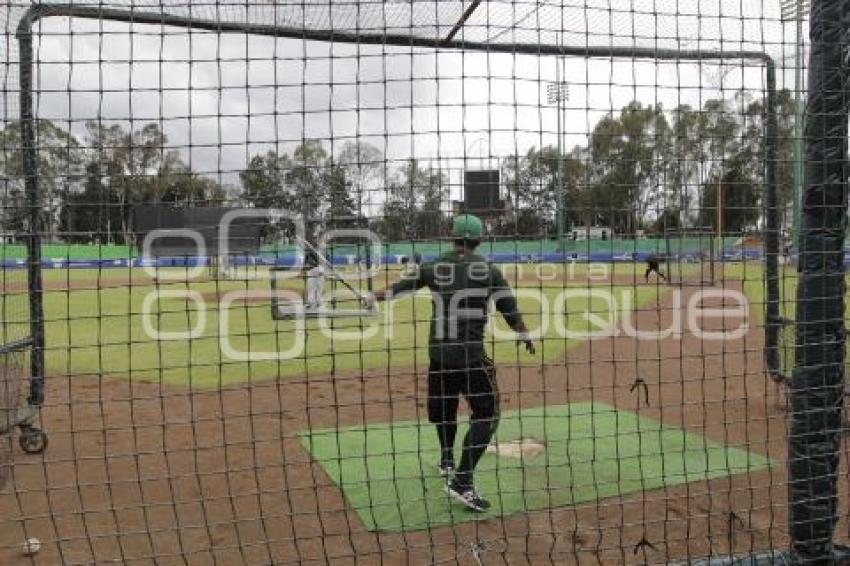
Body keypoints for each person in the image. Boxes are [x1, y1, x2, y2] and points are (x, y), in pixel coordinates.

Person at [370, 214, 535, 512]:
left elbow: (400, 288)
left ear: (452, 236)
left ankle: (447, 458)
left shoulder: (432, 267)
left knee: (445, 407)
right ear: (480, 240)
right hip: (471, 356)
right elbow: (509, 309)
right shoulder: (488, 270)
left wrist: (374, 296)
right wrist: (523, 333)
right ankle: (462, 480)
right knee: (487, 412)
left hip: (439, 354)